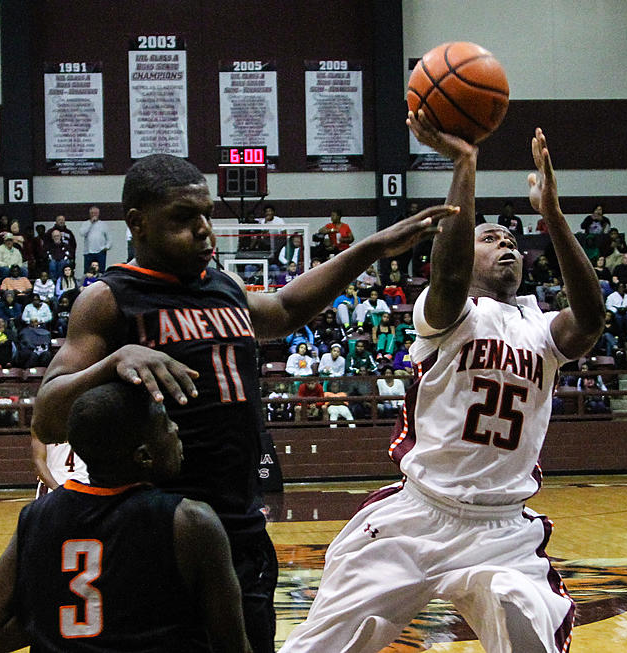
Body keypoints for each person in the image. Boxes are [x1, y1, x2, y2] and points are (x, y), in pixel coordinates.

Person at [30, 152, 449, 652]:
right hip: (164, 531)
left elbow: (289, 306)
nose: (204, 230)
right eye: (183, 218)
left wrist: (372, 247)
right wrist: (112, 361)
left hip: (240, 524)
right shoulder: (110, 298)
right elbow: (48, 416)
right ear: (137, 224)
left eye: (207, 214)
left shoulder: (223, 287)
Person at [280, 120, 604, 653]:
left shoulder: (540, 329)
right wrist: (464, 167)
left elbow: (589, 320)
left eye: (512, 240)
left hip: (502, 530)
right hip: (419, 513)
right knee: (320, 645)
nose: (506, 244)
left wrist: (554, 217)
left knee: (525, 620)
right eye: (489, 238)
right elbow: (450, 278)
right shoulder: (444, 317)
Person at [0, 381, 253, 653]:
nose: (176, 429)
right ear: (144, 456)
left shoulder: (34, 517)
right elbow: (233, 646)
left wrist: (72, 618)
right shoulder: (192, 522)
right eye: (166, 424)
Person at [80, 205, 111, 272]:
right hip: (88, 252)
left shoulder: (103, 224)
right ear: (90, 214)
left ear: (98, 214)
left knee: (101, 271)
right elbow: (82, 233)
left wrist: (107, 247)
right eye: (92, 213)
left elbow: (109, 237)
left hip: (100, 252)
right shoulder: (86, 223)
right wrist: (91, 223)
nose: (94, 215)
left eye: (96, 213)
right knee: (88, 272)